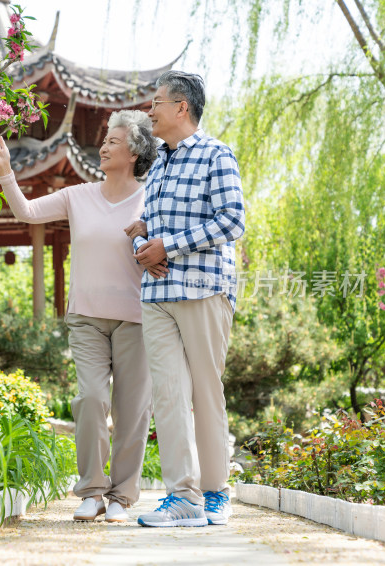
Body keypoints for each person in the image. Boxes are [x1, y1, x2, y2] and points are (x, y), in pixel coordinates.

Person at [0, 111, 158, 522]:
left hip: (137, 319)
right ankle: (92, 490)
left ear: (133, 151)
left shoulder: (152, 197)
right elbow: (26, 212)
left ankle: (121, 498)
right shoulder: (78, 195)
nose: (104, 146)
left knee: (133, 411)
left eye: (113, 140)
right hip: (87, 318)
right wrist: (6, 170)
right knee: (91, 399)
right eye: (105, 140)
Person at [131, 71, 245, 527]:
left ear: (182, 107)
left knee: (204, 390)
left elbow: (232, 220)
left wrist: (169, 247)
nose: (149, 110)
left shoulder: (217, 155)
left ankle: (216, 492)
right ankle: (183, 497)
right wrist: (142, 248)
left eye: (156, 102)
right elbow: (145, 226)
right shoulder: (158, 164)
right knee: (168, 395)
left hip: (203, 289)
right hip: (156, 293)